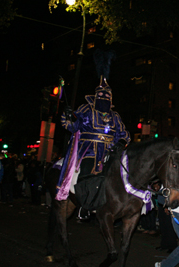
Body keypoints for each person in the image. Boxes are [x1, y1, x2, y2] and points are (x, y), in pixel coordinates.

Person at [56, 51, 131, 219]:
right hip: (88, 149)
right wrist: (67, 115)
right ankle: (84, 203)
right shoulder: (86, 109)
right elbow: (73, 126)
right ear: (95, 96)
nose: (104, 97)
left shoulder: (115, 116)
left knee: (124, 175)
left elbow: (124, 134)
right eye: (101, 95)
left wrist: (121, 143)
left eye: (107, 95)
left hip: (111, 151)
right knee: (86, 173)